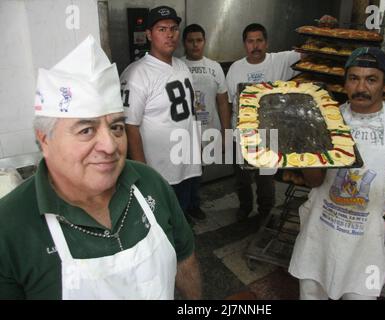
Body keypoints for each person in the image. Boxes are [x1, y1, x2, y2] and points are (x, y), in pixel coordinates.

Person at [0, 35, 201, 300]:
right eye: (86, 130)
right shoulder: (9, 228)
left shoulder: (151, 183)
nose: (110, 145)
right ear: (44, 140)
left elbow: (185, 260)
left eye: (117, 127)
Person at [289, 47, 385, 300]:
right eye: (354, 78)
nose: (361, 87)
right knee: (311, 293)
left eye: (371, 79)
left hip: (365, 240)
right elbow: (315, 181)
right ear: (345, 83)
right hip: (320, 231)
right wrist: (306, 152)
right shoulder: (328, 120)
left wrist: (379, 194)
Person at [120, 6, 202, 223]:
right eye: (162, 29)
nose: (170, 34)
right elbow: (130, 126)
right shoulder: (137, 74)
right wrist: (142, 172)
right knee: (160, 221)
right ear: (149, 34)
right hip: (158, 169)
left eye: (174, 29)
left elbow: (189, 114)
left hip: (185, 162)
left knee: (180, 214)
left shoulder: (182, 66)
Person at [226, 23, 301, 221]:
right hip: (240, 134)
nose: (255, 45)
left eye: (259, 40)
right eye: (250, 41)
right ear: (245, 44)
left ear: (266, 43)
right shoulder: (236, 68)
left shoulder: (281, 60)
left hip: (269, 136)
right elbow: (229, 102)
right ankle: (244, 207)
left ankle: (265, 212)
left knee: (265, 179)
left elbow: (309, 53)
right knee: (241, 178)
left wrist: (329, 27)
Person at [180, 23, 231, 220]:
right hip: (185, 130)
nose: (195, 45)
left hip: (209, 127)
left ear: (204, 42)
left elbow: (223, 101)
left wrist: (226, 131)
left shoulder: (215, 67)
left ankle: (194, 204)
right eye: (191, 41)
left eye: (199, 40)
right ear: (185, 43)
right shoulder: (178, 66)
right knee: (185, 169)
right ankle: (184, 209)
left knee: (200, 168)